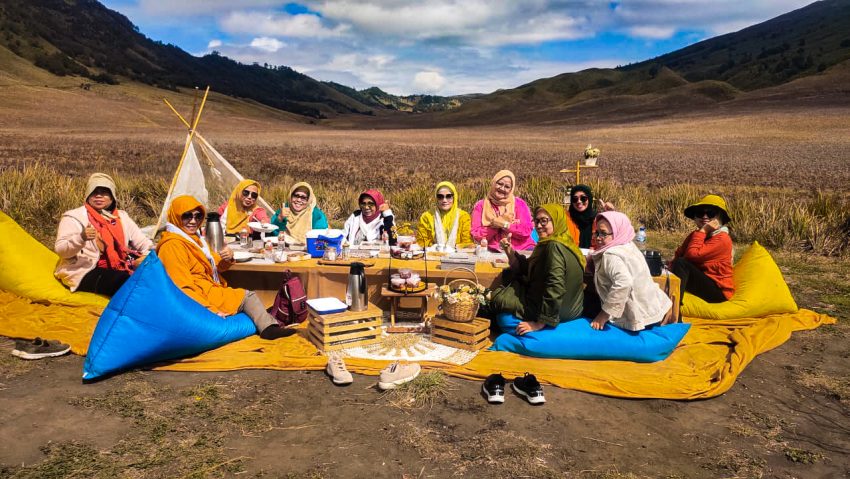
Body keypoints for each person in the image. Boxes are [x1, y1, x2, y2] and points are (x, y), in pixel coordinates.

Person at [158, 195, 294, 340]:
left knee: (246, 296)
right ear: (176, 216)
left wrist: (228, 258)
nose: (193, 221)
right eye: (187, 216)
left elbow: (215, 266)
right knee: (247, 296)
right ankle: (269, 329)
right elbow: (181, 287)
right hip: (201, 295)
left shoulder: (193, 239)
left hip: (208, 287)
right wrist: (209, 310)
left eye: (198, 216)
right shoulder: (172, 246)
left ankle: (265, 319)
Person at [489, 204, 586, 335]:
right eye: (537, 221)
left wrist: (540, 323)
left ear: (557, 221)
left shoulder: (553, 247)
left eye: (544, 221)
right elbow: (527, 268)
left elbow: (555, 285)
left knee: (497, 297)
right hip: (569, 308)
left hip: (557, 311)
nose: (539, 226)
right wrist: (509, 250)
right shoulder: (564, 243)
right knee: (509, 281)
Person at [54, 173, 153, 296]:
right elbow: (61, 250)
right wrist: (81, 238)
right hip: (83, 270)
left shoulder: (121, 217)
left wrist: (148, 256)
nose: (99, 195)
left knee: (152, 275)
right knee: (125, 282)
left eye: (104, 192)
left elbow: (143, 243)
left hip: (120, 266)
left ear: (112, 196)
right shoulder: (74, 217)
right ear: (88, 195)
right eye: (94, 191)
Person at [588, 211, 673, 331]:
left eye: (603, 233)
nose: (598, 238)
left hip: (637, 315)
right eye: (596, 233)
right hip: (652, 309)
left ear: (617, 232)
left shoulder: (611, 255)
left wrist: (604, 314)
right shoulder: (628, 245)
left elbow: (624, 283)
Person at [670, 194, 734, 304]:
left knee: (681, 264)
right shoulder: (696, 234)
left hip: (718, 290)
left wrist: (703, 231)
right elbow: (680, 253)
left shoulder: (722, 239)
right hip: (702, 279)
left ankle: (674, 309)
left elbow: (692, 255)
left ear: (720, 218)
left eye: (710, 213)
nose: (704, 217)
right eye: (700, 213)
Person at [471, 170, 535, 252]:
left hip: (521, 249)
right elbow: (476, 235)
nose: (502, 188)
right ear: (493, 183)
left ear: (511, 189)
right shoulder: (481, 206)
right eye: (499, 184)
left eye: (507, 186)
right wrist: (494, 226)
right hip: (493, 250)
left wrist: (505, 225)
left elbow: (526, 231)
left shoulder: (519, 204)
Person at [415, 181, 472, 250]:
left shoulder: (463, 217)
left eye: (448, 196)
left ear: (454, 197)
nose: (444, 200)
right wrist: (437, 248)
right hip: (433, 255)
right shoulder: (427, 217)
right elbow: (422, 241)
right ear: (436, 198)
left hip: (457, 256)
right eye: (440, 197)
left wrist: (453, 249)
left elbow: (467, 242)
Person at [567, 184, 614, 249]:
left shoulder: (598, 219)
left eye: (583, 198)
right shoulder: (565, 218)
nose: (579, 201)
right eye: (575, 199)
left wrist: (611, 214)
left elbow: (614, 235)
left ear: (589, 199)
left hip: (595, 257)